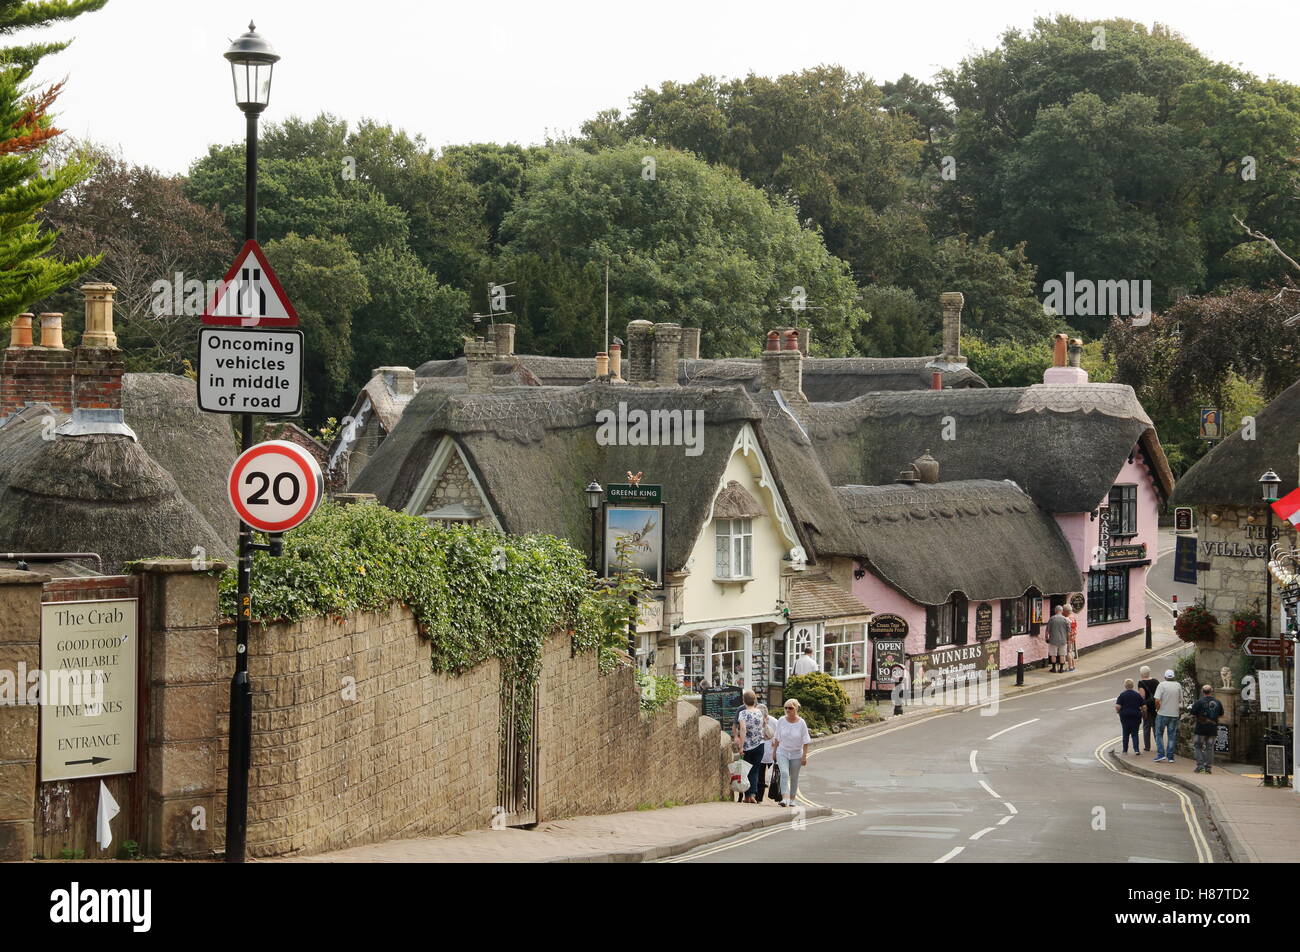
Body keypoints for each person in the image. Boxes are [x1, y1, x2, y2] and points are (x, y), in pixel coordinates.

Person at [772, 698, 812, 807]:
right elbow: (777, 737)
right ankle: (785, 798)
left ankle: (792, 799)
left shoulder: (801, 723)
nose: (788, 710)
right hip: (782, 752)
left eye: (790, 708)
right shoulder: (781, 720)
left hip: (796, 754)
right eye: (786, 708)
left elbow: (806, 741)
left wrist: (804, 756)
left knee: (794, 777)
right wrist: (774, 751)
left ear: (796, 709)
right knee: (784, 773)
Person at [732, 690, 767, 803]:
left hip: (747, 746)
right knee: (755, 770)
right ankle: (752, 794)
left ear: (744, 701)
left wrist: (741, 747)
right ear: (755, 700)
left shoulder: (743, 713)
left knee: (746, 771)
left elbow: (743, 730)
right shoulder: (759, 712)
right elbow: (762, 726)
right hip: (760, 745)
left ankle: (748, 796)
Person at [1190, 684, 1224, 774]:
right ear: (1211, 691)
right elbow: (1221, 714)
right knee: (1210, 748)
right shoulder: (1218, 702)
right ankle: (1208, 768)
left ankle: (1200, 766)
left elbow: (1193, 714)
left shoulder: (1198, 702)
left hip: (1201, 728)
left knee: (1198, 746)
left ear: (1202, 691)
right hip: (1212, 728)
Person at [1152, 669, 1182, 763]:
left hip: (1162, 714)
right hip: (1174, 714)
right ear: (1173, 677)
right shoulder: (1178, 685)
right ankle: (1170, 757)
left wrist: (1158, 709)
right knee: (1171, 735)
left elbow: (1157, 700)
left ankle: (1161, 754)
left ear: (1165, 677)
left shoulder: (1161, 685)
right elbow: (1180, 700)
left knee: (1159, 734)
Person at [1115, 678, 1145, 754]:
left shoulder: (1122, 695)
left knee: (1125, 733)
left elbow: (1117, 706)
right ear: (1133, 686)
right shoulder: (1137, 695)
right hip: (1136, 716)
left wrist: (1118, 712)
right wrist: (1142, 712)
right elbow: (1144, 706)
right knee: (1135, 733)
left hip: (1125, 716)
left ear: (1125, 686)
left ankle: (1125, 750)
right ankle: (1136, 750)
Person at [1137, 665, 1160, 753]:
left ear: (1141, 673)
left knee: (1146, 726)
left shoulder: (1141, 683)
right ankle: (1158, 744)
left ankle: (1147, 746)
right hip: (1156, 706)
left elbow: (1142, 696)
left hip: (1147, 707)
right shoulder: (1156, 681)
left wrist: (1141, 707)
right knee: (1155, 726)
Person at [759, 703, 779, 802]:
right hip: (761, 754)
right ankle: (759, 798)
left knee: (774, 777)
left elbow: (779, 734)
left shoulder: (774, 721)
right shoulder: (757, 721)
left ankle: (775, 796)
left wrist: (774, 741)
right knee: (760, 778)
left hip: (772, 753)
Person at [1045, 605, 1071, 672]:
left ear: (1055, 611)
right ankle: (1061, 669)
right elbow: (1068, 631)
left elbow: (1047, 630)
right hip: (1063, 640)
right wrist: (1068, 640)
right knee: (1062, 654)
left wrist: (1046, 638)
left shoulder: (1052, 619)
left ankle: (1054, 668)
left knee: (1053, 654)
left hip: (1053, 640)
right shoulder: (1066, 619)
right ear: (1062, 611)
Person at [1063, 604, 1078, 671]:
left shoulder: (1067, 619)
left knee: (1069, 651)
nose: (1063, 612)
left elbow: (1065, 628)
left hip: (1068, 636)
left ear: (1066, 611)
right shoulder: (1073, 617)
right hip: (1073, 635)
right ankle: (1073, 665)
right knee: (1071, 651)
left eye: (1064, 610)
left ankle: (1070, 667)